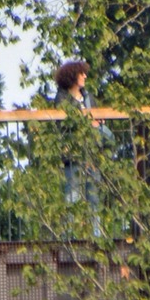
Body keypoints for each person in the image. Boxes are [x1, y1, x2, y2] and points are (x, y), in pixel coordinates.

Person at [54, 58, 104, 222]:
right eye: (82, 74)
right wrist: (87, 122)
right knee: (72, 194)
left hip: (91, 151)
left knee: (94, 196)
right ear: (72, 76)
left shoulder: (88, 97)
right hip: (73, 151)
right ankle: (69, 236)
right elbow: (64, 123)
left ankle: (96, 235)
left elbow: (97, 118)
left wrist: (98, 122)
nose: (85, 77)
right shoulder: (62, 98)